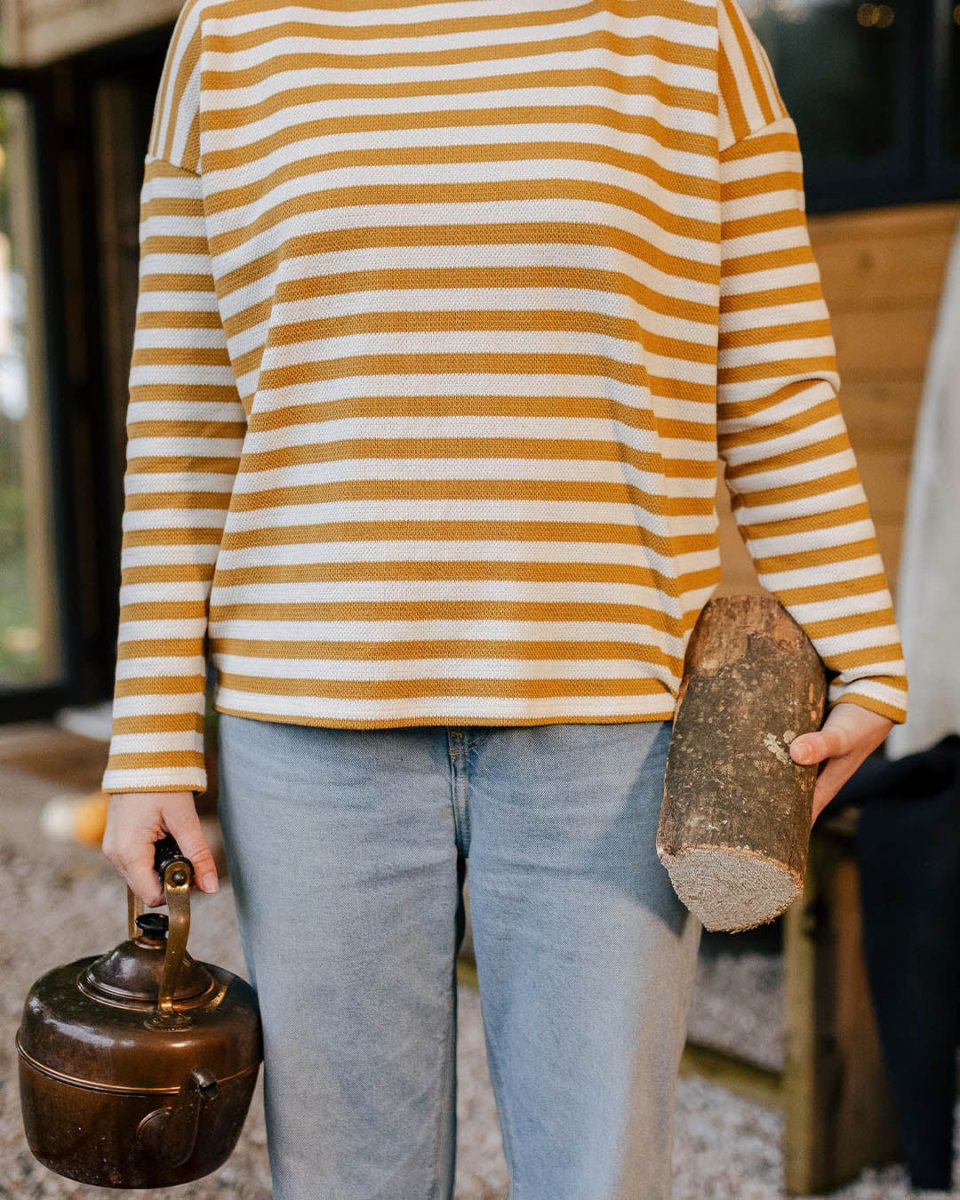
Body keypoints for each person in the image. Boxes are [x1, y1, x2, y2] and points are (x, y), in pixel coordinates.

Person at [99, 0, 908, 1196]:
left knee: (600, 1175)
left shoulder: (690, 32)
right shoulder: (232, 34)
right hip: (311, 730)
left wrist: (865, 653)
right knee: (344, 1181)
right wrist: (149, 730)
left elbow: (775, 382)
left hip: (610, 729)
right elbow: (183, 417)